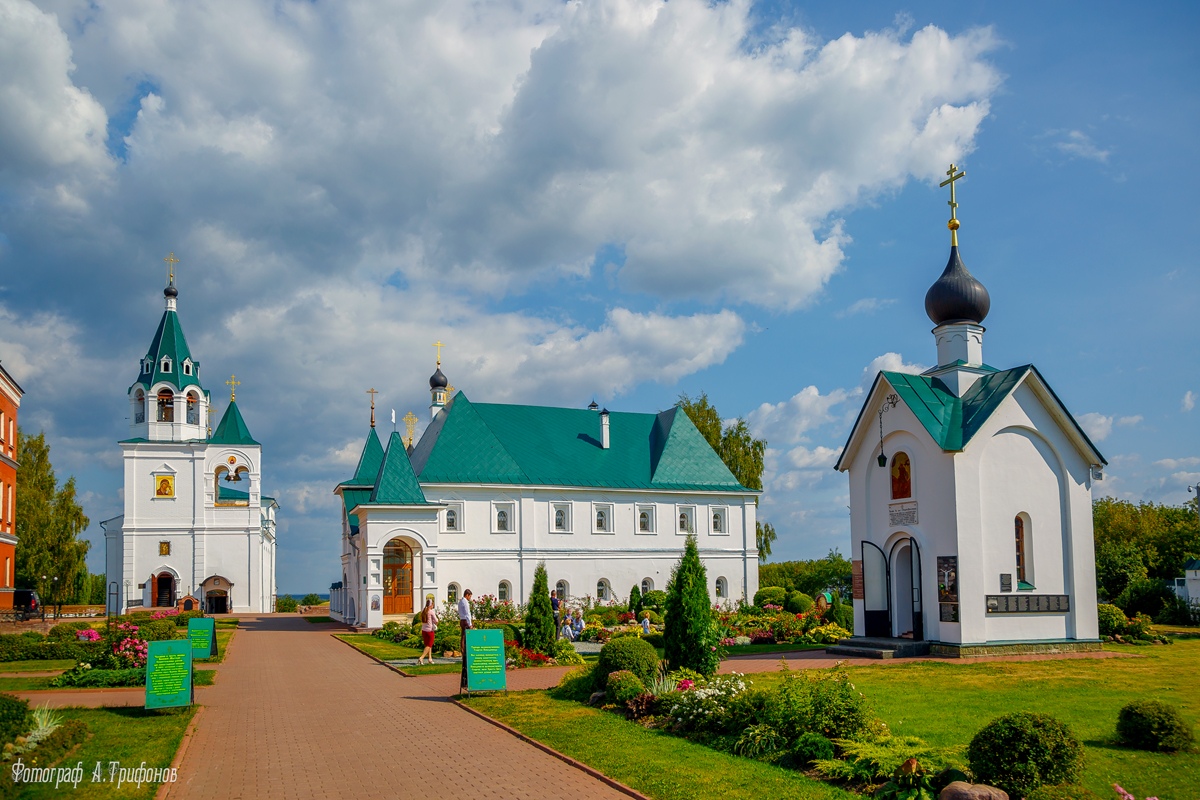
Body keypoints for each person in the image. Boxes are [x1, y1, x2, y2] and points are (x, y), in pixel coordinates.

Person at [457, 589, 473, 689]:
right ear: (467, 595)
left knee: (462, 637)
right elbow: (468, 614)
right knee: (466, 637)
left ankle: (463, 650)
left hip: (461, 620)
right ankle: (465, 650)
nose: (470, 598)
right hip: (465, 621)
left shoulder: (460, 601)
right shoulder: (465, 602)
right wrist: (470, 624)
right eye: (470, 596)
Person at [417, 598, 438, 665]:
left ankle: (430, 658)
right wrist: (435, 623)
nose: (433, 605)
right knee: (429, 645)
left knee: (428, 644)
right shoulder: (431, 611)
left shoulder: (423, 611)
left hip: (424, 630)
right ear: (431, 605)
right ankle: (421, 657)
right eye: (432, 604)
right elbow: (436, 620)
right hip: (430, 630)